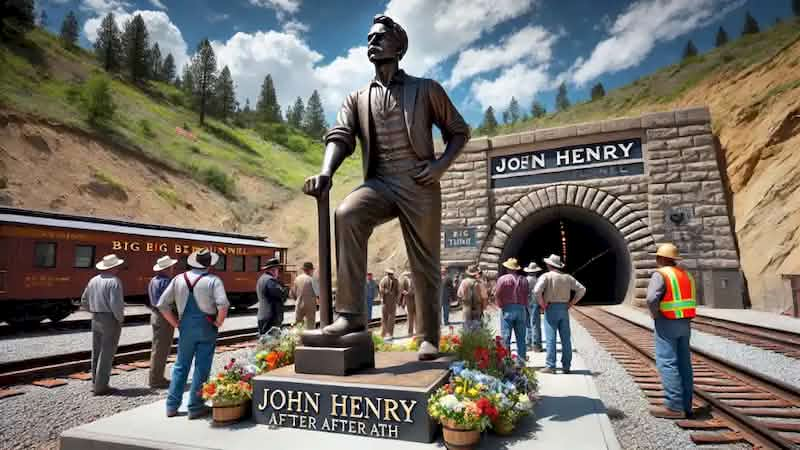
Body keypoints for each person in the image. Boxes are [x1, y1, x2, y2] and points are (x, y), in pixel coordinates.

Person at [301, 14, 469, 361]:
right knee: (347, 214)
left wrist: (439, 166)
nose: (371, 42)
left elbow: (459, 131)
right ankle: (350, 316)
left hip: (419, 181)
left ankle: (428, 335)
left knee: (423, 258)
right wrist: (326, 172)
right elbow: (341, 136)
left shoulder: (426, 89)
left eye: (379, 37)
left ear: (400, 46)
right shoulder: (358, 98)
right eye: (368, 38)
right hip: (379, 182)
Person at [158, 248, 229, 419]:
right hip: (207, 325)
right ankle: (195, 407)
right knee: (201, 367)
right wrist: (219, 322)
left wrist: (175, 323)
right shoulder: (213, 280)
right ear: (209, 264)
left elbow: (162, 305)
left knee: (180, 365)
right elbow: (223, 304)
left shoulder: (178, 279)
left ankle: (171, 406)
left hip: (186, 326)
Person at [647, 243, 698, 419]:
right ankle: (687, 405)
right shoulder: (686, 275)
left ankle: (674, 407)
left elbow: (652, 298)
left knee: (667, 362)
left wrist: (654, 314)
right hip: (685, 322)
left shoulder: (660, 274)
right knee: (684, 363)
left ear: (660, 259)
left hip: (666, 321)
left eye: (657, 257)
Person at [80, 254, 125, 395]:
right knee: (107, 353)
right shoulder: (115, 281)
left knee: (96, 352)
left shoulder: (93, 280)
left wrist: (94, 310)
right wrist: (120, 319)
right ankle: (101, 387)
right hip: (109, 319)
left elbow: (83, 301)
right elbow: (116, 305)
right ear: (113, 267)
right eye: (117, 266)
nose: (119, 267)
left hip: (95, 318)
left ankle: (95, 383)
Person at [534, 254, 586, 374]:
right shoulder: (567, 277)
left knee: (551, 338)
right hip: (564, 308)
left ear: (548, 264)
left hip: (551, 307)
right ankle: (566, 366)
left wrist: (542, 304)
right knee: (565, 338)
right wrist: (572, 303)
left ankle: (551, 365)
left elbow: (537, 290)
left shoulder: (546, 276)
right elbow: (582, 289)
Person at [147, 255, 177, 388]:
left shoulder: (154, 280)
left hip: (155, 315)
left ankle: (156, 377)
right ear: (167, 268)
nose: (172, 268)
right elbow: (170, 303)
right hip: (164, 316)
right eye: (171, 266)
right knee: (161, 349)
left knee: (157, 347)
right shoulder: (167, 282)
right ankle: (156, 380)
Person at [494, 258, 529, 362]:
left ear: (508, 268)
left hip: (508, 309)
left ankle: (507, 361)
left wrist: (500, 304)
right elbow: (527, 294)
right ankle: (521, 362)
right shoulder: (524, 280)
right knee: (521, 338)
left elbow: (498, 293)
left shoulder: (502, 279)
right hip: (521, 309)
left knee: (506, 337)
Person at [256, 257, 287, 334]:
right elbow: (280, 295)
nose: (278, 272)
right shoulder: (270, 280)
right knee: (272, 341)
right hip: (271, 316)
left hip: (262, 314)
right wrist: (285, 289)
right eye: (277, 269)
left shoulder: (261, 279)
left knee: (265, 340)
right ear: (273, 269)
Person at [524, 262, 544, 353]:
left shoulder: (524, 280)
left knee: (527, 324)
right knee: (535, 324)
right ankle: (536, 345)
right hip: (535, 303)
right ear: (536, 272)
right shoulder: (538, 280)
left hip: (525, 303)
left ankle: (528, 344)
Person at [292, 262, 318, 330]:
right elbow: (317, 293)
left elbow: (292, 293)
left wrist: (297, 299)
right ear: (310, 270)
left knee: (298, 324)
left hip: (299, 304)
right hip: (310, 305)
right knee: (310, 325)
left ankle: (297, 339)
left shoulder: (297, 278)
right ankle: (310, 340)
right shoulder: (312, 279)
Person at [379, 269, 400, 338]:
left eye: (391, 274)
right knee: (384, 318)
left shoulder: (396, 281)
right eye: (389, 274)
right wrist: (386, 291)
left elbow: (398, 291)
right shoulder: (383, 280)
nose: (390, 275)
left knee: (392, 318)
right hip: (385, 301)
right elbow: (381, 289)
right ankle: (383, 333)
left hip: (392, 301)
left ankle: (390, 334)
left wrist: (397, 299)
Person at [399, 270, 416, 335]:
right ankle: (410, 331)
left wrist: (414, 293)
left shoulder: (414, 280)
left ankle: (417, 330)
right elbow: (401, 289)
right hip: (408, 300)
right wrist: (406, 293)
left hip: (415, 299)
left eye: (409, 274)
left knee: (416, 315)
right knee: (410, 315)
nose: (408, 275)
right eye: (407, 275)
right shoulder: (404, 281)